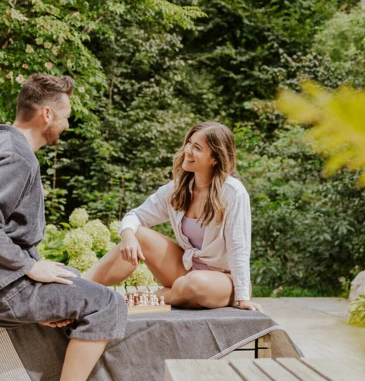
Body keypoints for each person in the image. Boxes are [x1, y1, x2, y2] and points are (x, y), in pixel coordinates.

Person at [0, 74, 126, 381]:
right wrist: (28, 267)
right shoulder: (17, 156)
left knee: (71, 278)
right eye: (66, 117)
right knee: (107, 303)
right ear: (47, 114)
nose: (67, 125)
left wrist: (44, 297)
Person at [85, 121, 263, 313]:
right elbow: (135, 215)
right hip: (184, 270)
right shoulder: (177, 189)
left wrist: (243, 297)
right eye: (189, 143)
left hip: (222, 281)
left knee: (196, 283)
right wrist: (128, 236)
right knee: (138, 234)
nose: (187, 150)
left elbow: (239, 247)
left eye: (197, 147)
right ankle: (80, 287)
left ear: (215, 159)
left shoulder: (233, 193)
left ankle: (148, 298)